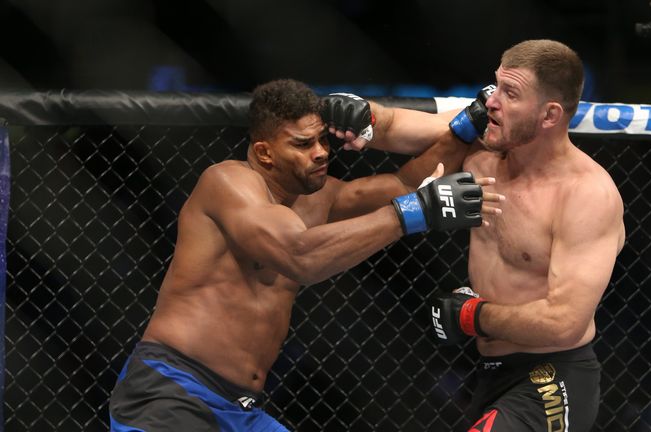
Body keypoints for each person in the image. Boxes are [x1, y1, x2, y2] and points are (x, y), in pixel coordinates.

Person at [108, 79, 504, 432]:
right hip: (172, 392)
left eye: (322, 140)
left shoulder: (319, 198)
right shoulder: (228, 184)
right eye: (302, 144)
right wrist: (416, 213)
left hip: (237, 409)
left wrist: (465, 129)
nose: (319, 153)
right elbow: (300, 256)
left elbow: (403, 183)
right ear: (265, 153)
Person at [351, 40, 626, 431]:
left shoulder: (586, 195)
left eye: (510, 93)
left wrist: (470, 317)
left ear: (549, 115)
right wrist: (354, 115)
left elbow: (563, 321)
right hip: (486, 371)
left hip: (553, 377)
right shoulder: (483, 147)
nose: (492, 101)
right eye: (496, 85)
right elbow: (394, 126)